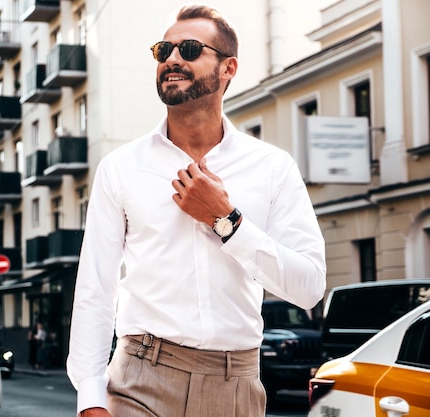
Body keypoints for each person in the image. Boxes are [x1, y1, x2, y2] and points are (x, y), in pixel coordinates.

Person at [66, 4, 326, 417]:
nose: (171, 58)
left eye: (189, 49)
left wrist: (228, 222)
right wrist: (91, 397)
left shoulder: (273, 168)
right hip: (140, 378)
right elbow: (96, 286)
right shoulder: (121, 167)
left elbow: (310, 286)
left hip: (235, 385)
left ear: (228, 69)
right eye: (163, 49)